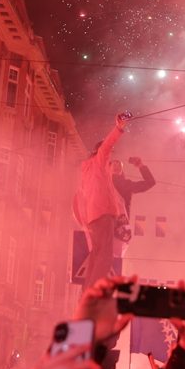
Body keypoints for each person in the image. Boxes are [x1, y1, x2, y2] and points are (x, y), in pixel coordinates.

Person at [73, 113, 131, 291]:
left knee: (97, 254)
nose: (110, 158)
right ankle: (93, 292)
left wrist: (84, 222)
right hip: (104, 214)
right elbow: (107, 145)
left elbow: (81, 198)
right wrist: (119, 128)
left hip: (93, 217)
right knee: (105, 258)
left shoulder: (88, 170)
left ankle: (87, 292)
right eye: (109, 156)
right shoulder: (99, 162)